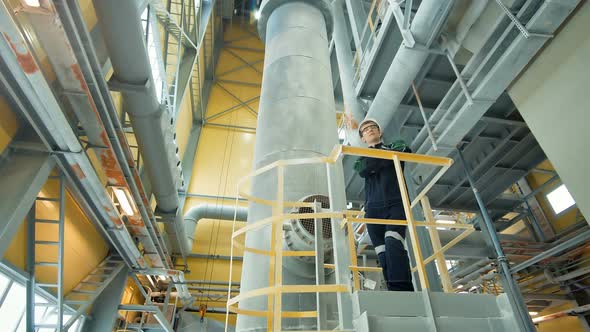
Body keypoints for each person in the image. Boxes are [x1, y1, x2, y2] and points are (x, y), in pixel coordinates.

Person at [354, 118, 414, 291]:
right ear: (363, 139)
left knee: (393, 243)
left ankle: (404, 292)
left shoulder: (397, 144)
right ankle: (393, 290)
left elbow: (405, 151)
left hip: (396, 204)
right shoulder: (361, 159)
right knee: (382, 252)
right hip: (373, 209)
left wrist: (374, 164)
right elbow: (362, 170)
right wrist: (385, 160)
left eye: (373, 127)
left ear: (380, 132)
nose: (370, 130)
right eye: (365, 130)